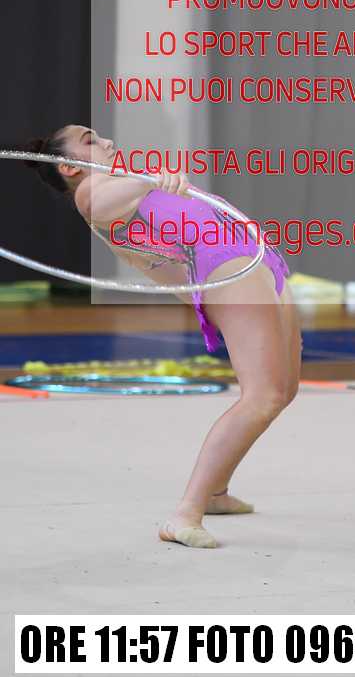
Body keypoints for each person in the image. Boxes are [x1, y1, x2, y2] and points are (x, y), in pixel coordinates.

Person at [25, 124, 302, 549]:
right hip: (227, 271)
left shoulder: (128, 183)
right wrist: (149, 179)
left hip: (258, 260)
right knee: (261, 396)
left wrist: (149, 180)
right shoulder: (93, 192)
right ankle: (185, 515)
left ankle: (215, 492)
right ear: (68, 166)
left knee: (283, 391)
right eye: (90, 141)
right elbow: (99, 204)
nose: (107, 142)